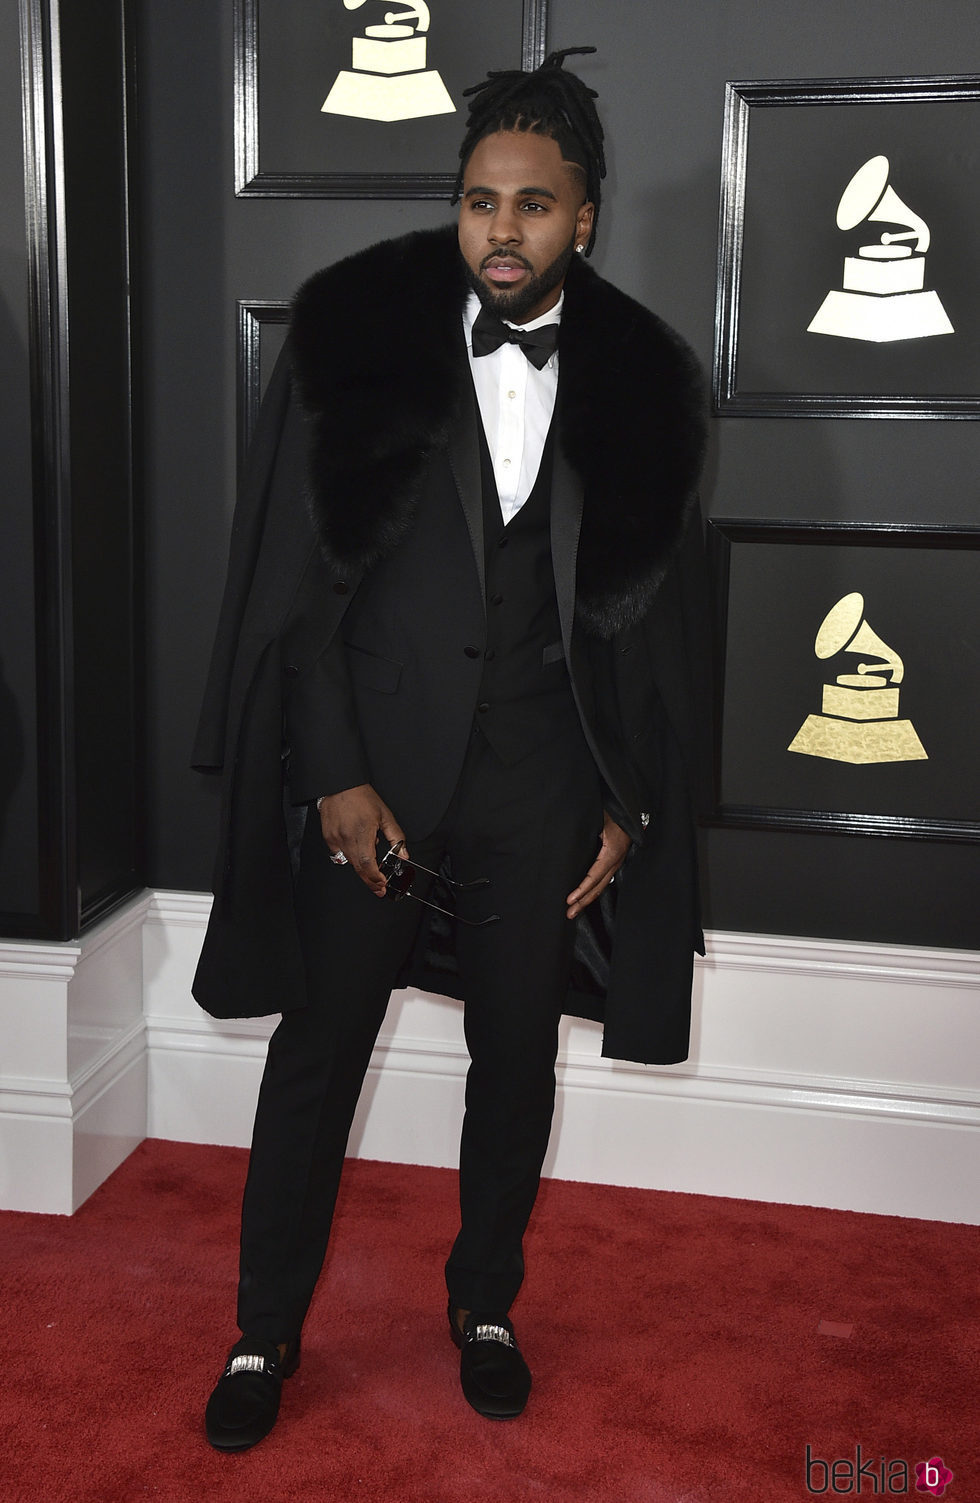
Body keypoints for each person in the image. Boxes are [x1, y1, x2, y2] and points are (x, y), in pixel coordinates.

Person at [193, 47, 710, 1450]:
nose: (502, 229)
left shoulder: (648, 378)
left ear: (584, 217)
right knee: (318, 1057)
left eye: (534, 205)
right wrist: (334, 777)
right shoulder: (356, 332)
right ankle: (262, 1332)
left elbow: (651, 631)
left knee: (516, 1060)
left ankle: (485, 1300)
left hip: (541, 787)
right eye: (480, 200)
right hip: (378, 783)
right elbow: (297, 596)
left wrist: (626, 802)